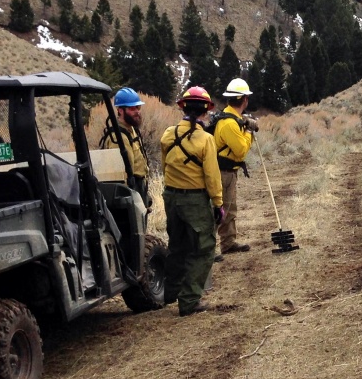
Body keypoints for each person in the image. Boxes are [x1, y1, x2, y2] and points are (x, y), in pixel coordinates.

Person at [159, 86, 224, 317]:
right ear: (206, 110)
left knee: (176, 246)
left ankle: (169, 293)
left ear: (183, 107)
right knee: (203, 248)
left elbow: (165, 165)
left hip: (171, 198)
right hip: (195, 200)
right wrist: (218, 203)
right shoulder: (205, 139)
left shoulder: (168, 134)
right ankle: (188, 301)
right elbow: (211, 176)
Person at [213, 77, 258, 256]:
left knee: (229, 208)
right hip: (222, 172)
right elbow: (240, 151)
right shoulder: (230, 123)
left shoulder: (233, 118)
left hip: (229, 171)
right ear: (245, 99)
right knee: (217, 209)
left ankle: (228, 242)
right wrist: (249, 132)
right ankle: (208, 250)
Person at [100, 87, 150, 207]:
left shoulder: (131, 129)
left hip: (138, 187)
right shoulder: (118, 137)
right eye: (132, 108)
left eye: (138, 107)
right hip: (129, 193)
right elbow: (122, 174)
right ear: (120, 110)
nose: (137, 111)